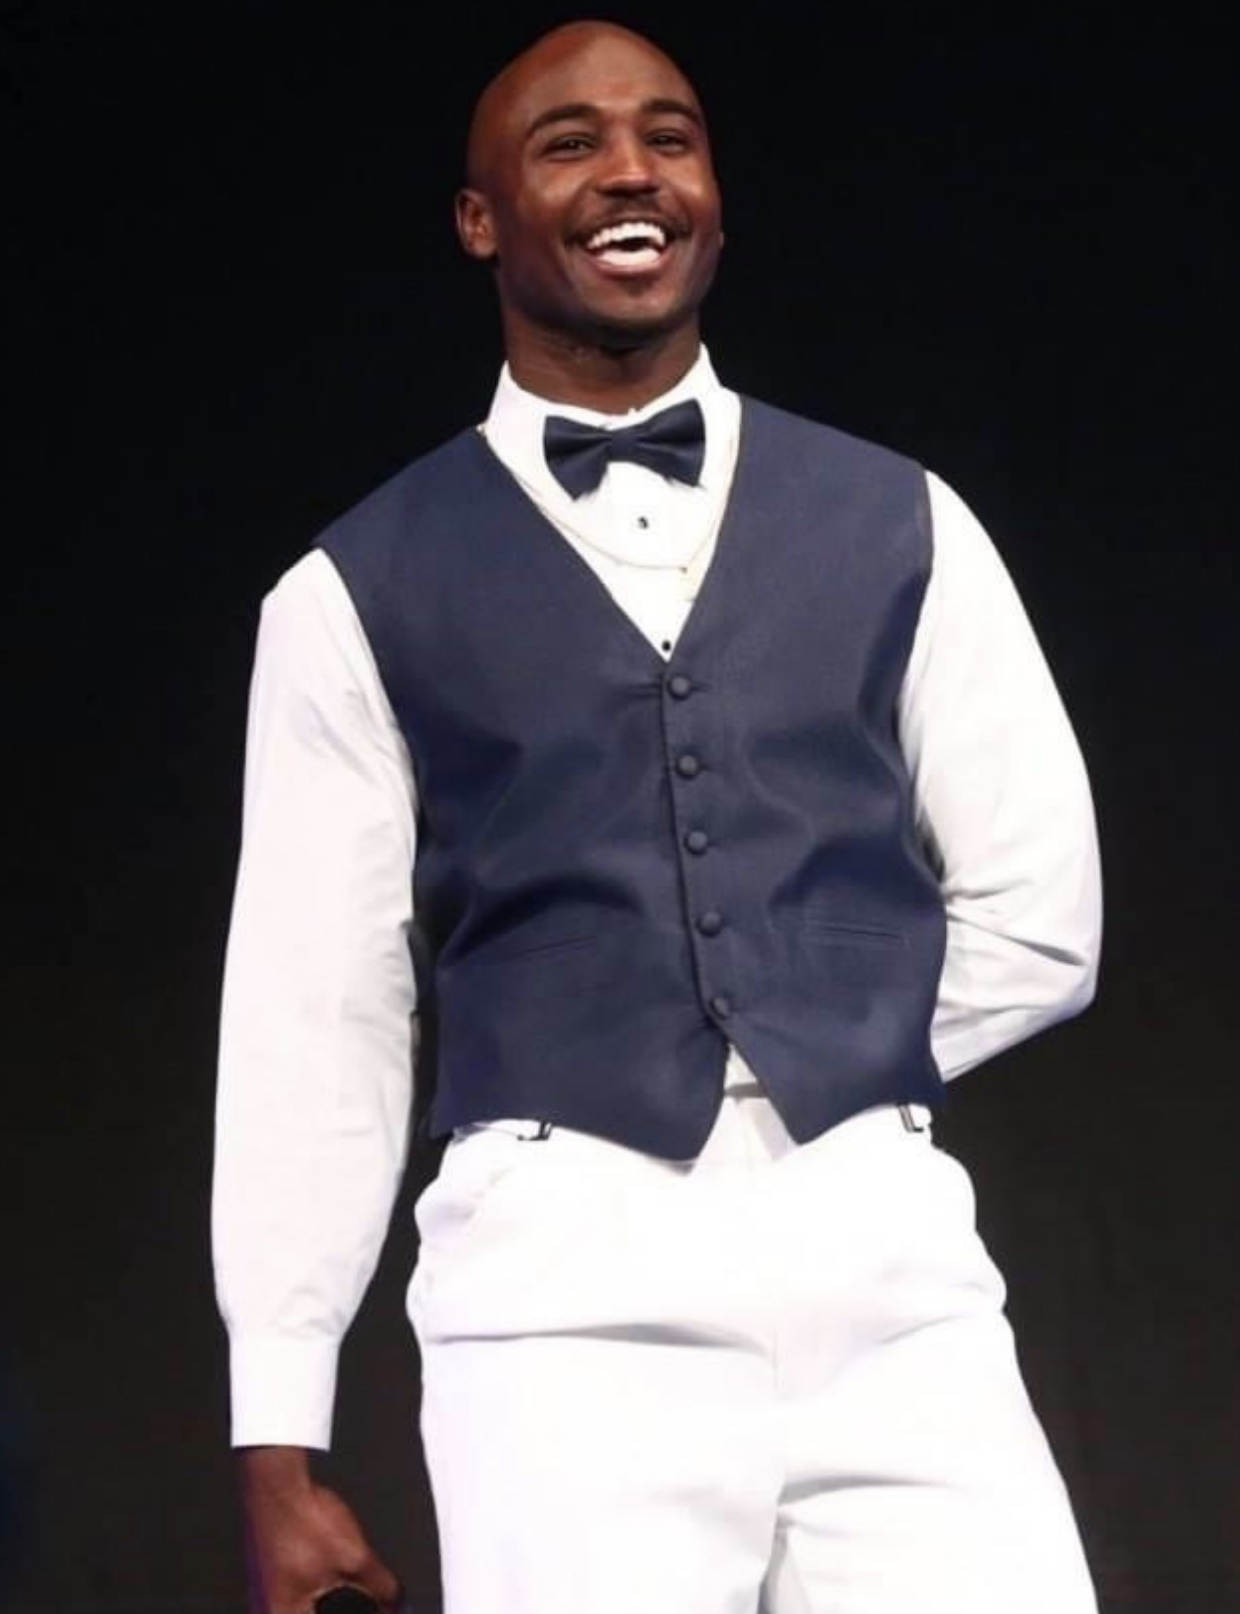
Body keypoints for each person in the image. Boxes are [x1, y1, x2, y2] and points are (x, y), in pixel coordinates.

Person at [212, 19, 1103, 1614]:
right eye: (570, 144)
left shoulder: (904, 520)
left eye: (670, 137)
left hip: (886, 1266)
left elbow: (1041, 912)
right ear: (480, 218)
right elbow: (315, 1018)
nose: (631, 171)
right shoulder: (349, 592)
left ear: (714, 196)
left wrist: (808, 1053)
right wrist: (278, 1429)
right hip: (561, 1290)